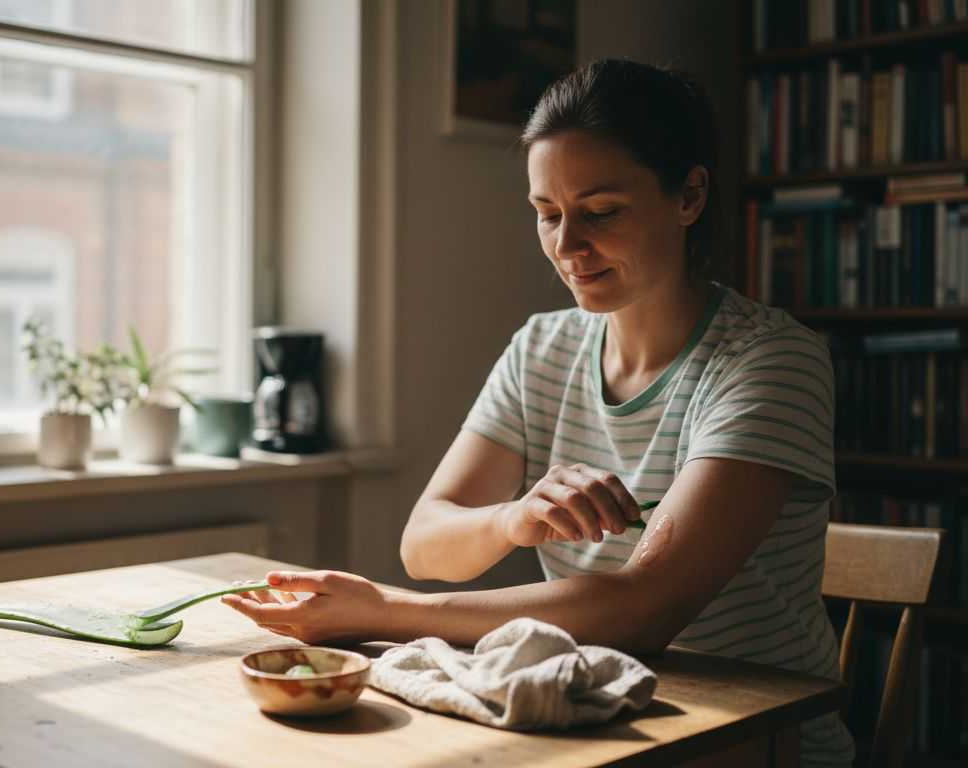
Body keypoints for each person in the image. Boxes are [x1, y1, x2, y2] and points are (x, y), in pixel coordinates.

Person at [221, 58, 854, 766]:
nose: (566, 245)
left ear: (690, 195)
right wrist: (512, 517)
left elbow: (643, 610)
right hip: (590, 719)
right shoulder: (542, 347)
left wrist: (381, 612)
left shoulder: (773, 361)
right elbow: (425, 543)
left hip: (757, 744)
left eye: (601, 212)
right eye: (547, 215)